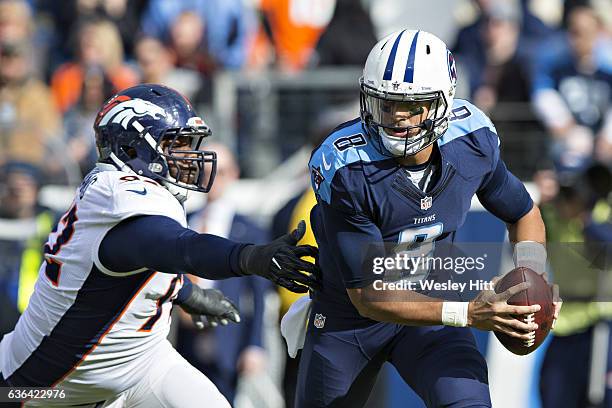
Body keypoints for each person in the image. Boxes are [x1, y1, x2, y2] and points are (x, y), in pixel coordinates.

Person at [0, 84, 320, 407]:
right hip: (48, 387)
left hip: (140, 363)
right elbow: (179, 248)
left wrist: (187, 294)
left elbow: (122, 271)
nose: (189, 156)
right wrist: (249, 257)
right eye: (177, 143)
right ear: (133, 148)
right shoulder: (119, 198)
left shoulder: (137, 195)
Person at [294, 29, 561, 407]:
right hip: (350, 320)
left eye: (413, 106)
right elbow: (369, 296)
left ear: (443, 105)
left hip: (434, 304)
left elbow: (523, 212)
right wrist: (468, 312)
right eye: (386, 104)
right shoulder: (346, 167)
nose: (397, 118)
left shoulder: (471, 140)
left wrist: (529, 274)